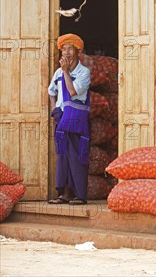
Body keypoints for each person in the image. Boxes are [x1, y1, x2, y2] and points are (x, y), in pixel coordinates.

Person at [47, 34, 91, 205]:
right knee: (63, 156)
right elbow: (51, 92)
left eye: (70, 49)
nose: (66, 53)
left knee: (77, 156)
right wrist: (55, 108)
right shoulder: (58, 72)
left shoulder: (84, 72)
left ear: (78, 52)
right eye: (64, 49)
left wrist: (65, 72)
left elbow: (73, 92)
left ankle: (79, 195)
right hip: (62, 118)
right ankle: (64, 194)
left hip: (77, 120)